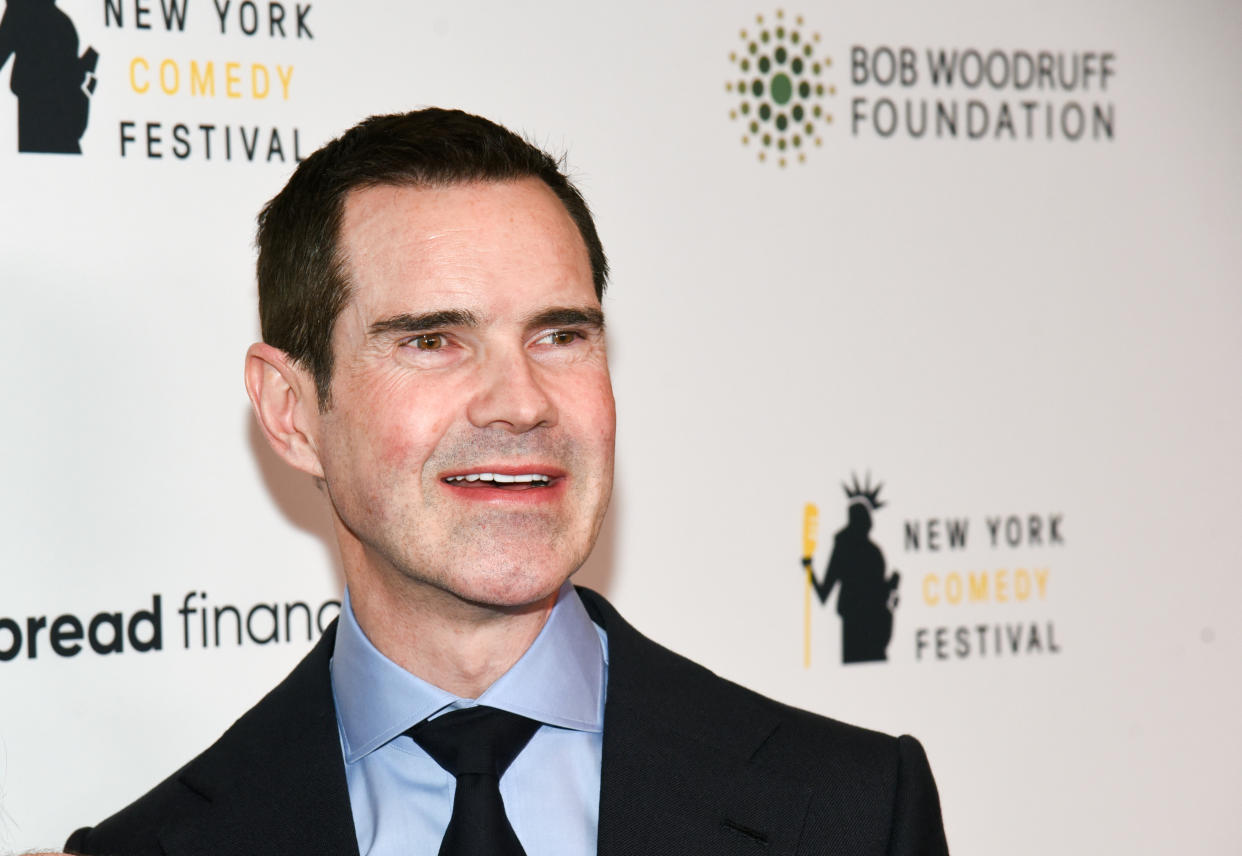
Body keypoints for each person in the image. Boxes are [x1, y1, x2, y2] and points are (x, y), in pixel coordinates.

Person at [65, 108, 949, 855]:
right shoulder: (155, 848)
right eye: (432, 340)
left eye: (560, 336)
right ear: (293, 411)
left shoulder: (851, 813)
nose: (522, 403)